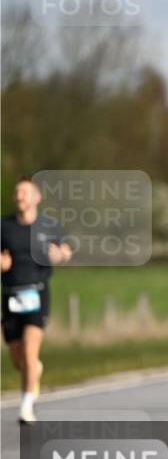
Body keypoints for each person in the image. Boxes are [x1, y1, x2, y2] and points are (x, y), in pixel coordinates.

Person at [1, 177, 72, 424]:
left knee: (30, 355)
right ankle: (35, 373)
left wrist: (60, 255)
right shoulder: (4, 226)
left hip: (37, 294)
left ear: (36, 197)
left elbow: (65, 250)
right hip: (10, 295)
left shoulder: (48, 226)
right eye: (17, 192)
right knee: (19, 361)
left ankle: (26, 406)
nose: (20, 196)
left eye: (24, 192)